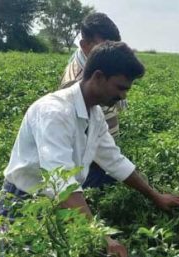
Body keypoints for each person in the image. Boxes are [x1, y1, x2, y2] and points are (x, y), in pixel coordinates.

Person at [0, 41, 179, 257]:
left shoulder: (95, 114)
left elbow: (114, 161)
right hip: (22, 203)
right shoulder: (54, 112)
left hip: (57, 204)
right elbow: (60, 184)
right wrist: (103, 237)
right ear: (98, 77)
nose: (123, 95)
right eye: (120, 87)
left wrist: (155, 196)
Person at [60, 12, 126, 188]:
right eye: (104, 46)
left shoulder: (96, 67)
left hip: (103, 152)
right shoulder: (76, 83)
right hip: (90, 162)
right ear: (85, 45)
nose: (111, 53)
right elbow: (83, 141)